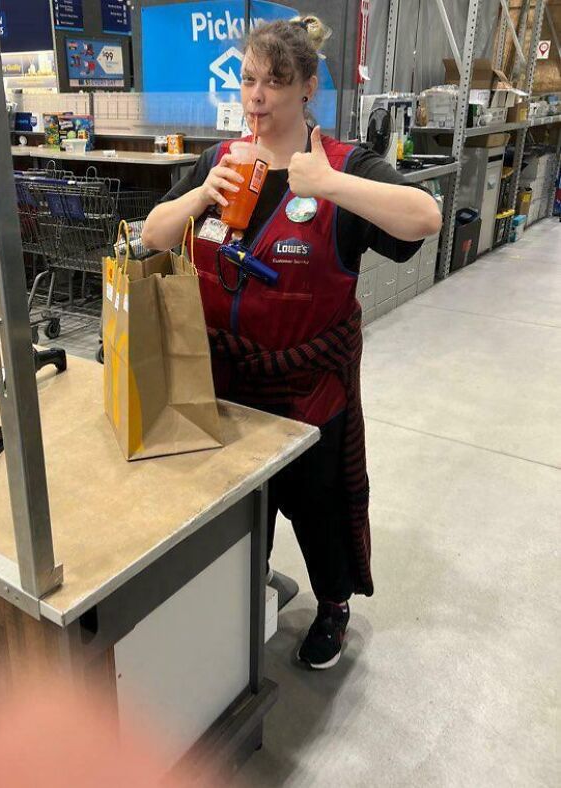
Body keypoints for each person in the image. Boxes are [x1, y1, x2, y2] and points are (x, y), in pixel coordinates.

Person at [142, 16, 441, 670]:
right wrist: (198, 196)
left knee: (319, 510)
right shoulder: (220, 163)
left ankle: (333, 603)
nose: (257, 95)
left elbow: (425, 218)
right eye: (249, 79)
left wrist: (329, 186)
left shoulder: (341, 167)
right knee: (240, 516)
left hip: (308, 396)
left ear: (308, 88)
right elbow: (151, 237)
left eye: (275, 81)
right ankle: (249, 591)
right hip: (221, 390)